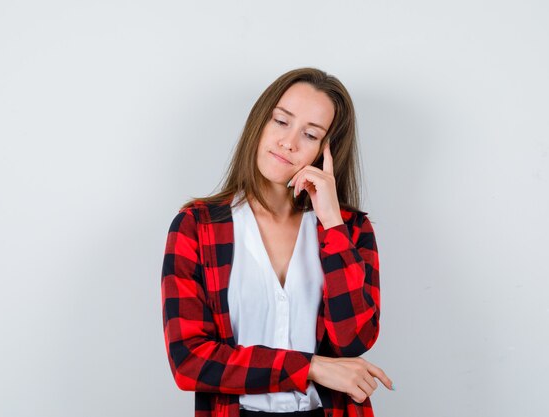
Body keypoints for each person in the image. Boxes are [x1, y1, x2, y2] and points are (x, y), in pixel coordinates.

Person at [161, 67, 393, 417]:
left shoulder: (351, 230)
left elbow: (353, 341)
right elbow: (189, 361)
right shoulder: (197, 226)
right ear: (260, 122)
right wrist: (310, 367)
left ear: (326, 151)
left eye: (311, 134)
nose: (289, 143)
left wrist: (331, 221)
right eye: (281, 122)